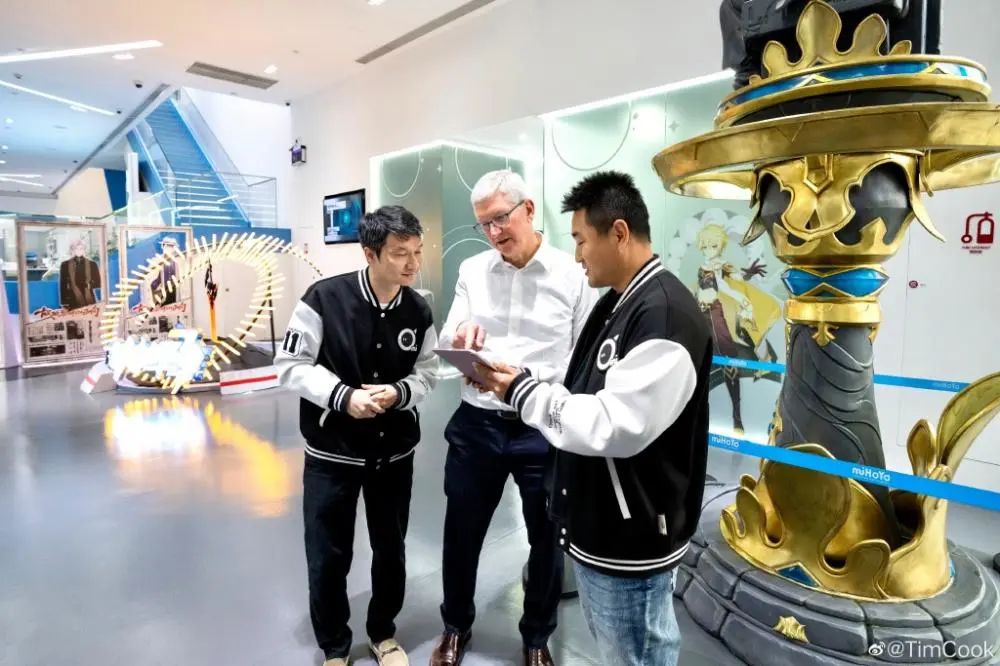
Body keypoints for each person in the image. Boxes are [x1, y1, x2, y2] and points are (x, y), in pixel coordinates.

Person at [473, 171, 713, 666]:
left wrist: (520, 391)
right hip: (602, 526)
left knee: (635, 653)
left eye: (582, 240)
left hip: (632, 539)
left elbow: (613, 425)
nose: (577, 254)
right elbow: (582, 388)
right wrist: (525, 382)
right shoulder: (618, 303)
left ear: (619, 233)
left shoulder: (663, 315)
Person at [430, 170, 598, 666]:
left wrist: (534, 387)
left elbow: (585, 357)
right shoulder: (473, 269)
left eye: (501, 218)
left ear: (528, 209)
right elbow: (449, 334)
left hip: (541, 426)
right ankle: (455, 626)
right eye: (484, 224)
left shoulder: (572, 274)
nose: (494, 232)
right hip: (478, 422)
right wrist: (462, 336)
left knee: (547, 538)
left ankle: (537, 637)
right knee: (461, 531)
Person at [276, 205, 438, 666]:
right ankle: (334, 646)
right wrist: (342, 397)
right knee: (328, 553)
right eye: (400, 253)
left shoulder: (418, 309)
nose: (412, 263)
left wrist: (399, 392)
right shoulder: (323, 299)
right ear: (370, 253)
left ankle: (383, 633)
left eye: (417, 252)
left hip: (394, 455)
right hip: (332, 455)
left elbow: (428, 371)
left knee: (391, 549)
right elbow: (290, 366)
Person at [693, 224, 780, 433]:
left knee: (728, 359)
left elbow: (728, 283)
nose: (709, 250)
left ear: (720, 246)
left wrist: (741, 298)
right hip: (700, 315)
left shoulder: (720, 266)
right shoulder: (704, 266)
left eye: (713, 246)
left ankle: (736, 417)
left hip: (715, 314)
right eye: (705, 246)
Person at [59, 237, 101, 310]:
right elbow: (63, 284)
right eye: (76, 248)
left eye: (81, 248)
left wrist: (88, 285)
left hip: (89, 298)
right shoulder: (65, 265)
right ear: (72, 250)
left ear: (84, 250)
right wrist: (64, 302)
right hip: (72, 298)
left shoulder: (92, 264)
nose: (79, 251)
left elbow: (98, 282)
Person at [150, 236, 181, 306]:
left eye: (172, 247)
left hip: (172, 290)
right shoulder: (161, 260)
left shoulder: (175, 261)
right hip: (165, 290)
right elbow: (159, 278)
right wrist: (153, 286)